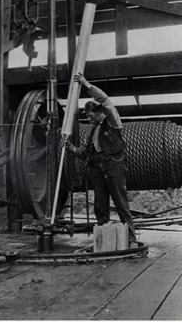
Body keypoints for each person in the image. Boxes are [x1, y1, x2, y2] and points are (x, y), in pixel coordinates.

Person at [65, 73, 137, 247]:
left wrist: (85, 83)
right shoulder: (93, 130)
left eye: (90, 116)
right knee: (100, 207)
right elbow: (83, 152)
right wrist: (69, 147)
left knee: (121, 204)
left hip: (114, 167)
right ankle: (102, 241)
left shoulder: (113, 121)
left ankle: (131, 240)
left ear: (99, 113)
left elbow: (105, 100)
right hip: (97, 170)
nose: (89, 119)